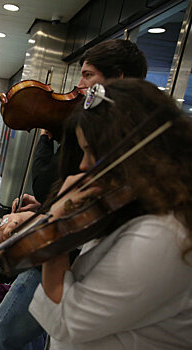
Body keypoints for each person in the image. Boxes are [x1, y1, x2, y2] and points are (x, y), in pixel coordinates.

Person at [0, 38, 148, 350]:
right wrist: (43, 209)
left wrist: (51, 222)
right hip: (67, 258)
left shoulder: (126, 142)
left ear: (119, 79)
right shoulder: (93, 127)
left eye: (88, 75)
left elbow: (93, 210)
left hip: (73, 261)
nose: (78, 85)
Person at [29, 78, 192, 349]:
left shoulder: (164, 235)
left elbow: (68, 321)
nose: (84, 165)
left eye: (92, 152)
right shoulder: (140, 206)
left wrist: (54, 229)